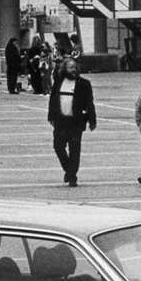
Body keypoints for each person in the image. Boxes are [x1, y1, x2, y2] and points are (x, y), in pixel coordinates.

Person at [47, 57, 96, 187]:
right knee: (58, 147)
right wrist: (50, 116)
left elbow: (89, 103)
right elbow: (52, 100)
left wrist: (92, 120)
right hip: (60, 121)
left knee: (75, 149)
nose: (73, 70)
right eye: (70, 67)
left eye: (75, 67)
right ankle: (68, 169)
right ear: (65, 69)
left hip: (76, 122)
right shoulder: (58, 82)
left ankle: (72, 176)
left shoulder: (84, 84)